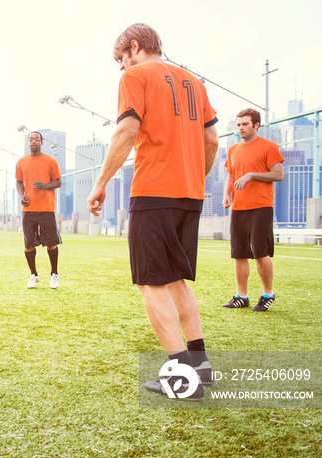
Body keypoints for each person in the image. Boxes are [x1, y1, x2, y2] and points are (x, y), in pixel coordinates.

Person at [87, 24, 219, 400]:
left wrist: (100, 183)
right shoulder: (195, 82)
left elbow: (127, 131)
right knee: (176, 277)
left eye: (121, 59)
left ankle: (181, 377)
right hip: (190, 194)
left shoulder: (136, 76)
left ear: (134, 47)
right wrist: (195, 174)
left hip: (154, 192)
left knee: (151, 282)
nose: (121, 67)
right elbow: (211, 139)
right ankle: (201, 364)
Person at [222, 108, 284, 312]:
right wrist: (226, 194)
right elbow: (230, 175)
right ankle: (242, 296)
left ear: (256, 125)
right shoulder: (233, 150)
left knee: (260, 252)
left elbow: (278, 174)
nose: (241, 128)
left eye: (245, 124)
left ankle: (268, 293)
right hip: (239, 207)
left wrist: (251, 175)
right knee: (239, 253)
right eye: (238, 124)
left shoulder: (269, 147)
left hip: (261, 207)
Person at [15, 131, 62, 289]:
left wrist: (44, 186)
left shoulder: (51, 161)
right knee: (29, 244)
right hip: (28, 209)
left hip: (47, 209)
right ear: (28, 143)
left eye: (37, 139)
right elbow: (19, 182)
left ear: (42, 142)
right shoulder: (21, 162)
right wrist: (22, 195)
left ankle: (54, 274)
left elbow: (58, 182)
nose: (33, 141)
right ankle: (33, 275)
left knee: (51, 243)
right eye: (31, 139)